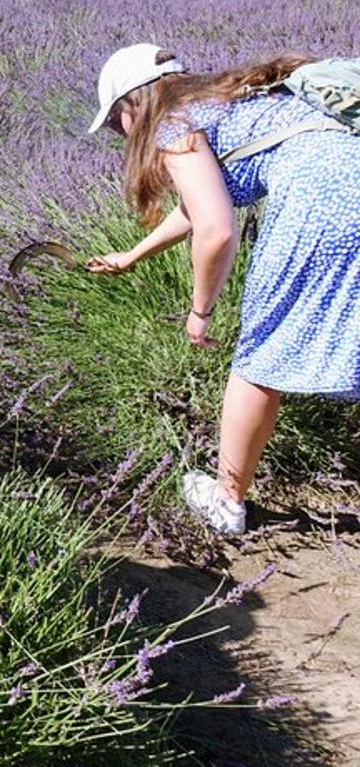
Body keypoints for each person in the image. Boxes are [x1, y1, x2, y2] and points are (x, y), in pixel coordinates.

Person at [86, 43, 360, 535]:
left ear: (133, 103)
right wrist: (133, 255)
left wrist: (200, 310)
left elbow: (216, 229)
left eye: (114, 122)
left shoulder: (171, 123)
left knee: (260, 356)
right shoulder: (226, 96)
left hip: (325, 201)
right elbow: (200, 204)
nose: (120, 133)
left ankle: (226, 502)